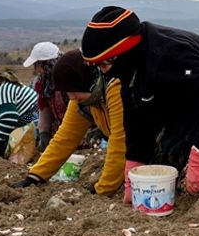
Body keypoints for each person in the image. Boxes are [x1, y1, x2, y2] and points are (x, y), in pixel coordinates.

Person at [80, 6, 199, 195]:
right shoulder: (130, 65)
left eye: (103, 63)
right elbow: (135, 118)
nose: (102, 70)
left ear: (121, 52)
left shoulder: (171, 56)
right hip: (195, 106)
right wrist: (134, 166)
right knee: (166, 168)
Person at [11, 50, 128, 197]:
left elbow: (120, 143)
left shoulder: (115, 89)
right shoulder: (80, 99)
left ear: (89, 82)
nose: (71, 97)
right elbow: (65, 137)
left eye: (73, 91)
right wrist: (35, 176)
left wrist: (102, 190)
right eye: (67, 92)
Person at [23, 42, 66, 150]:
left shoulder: (67, 77)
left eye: (36, 65)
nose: (35, 69)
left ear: (46, 64)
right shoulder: (43, 83)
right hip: (59, 130)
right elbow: (44, 109)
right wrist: (44, 134)